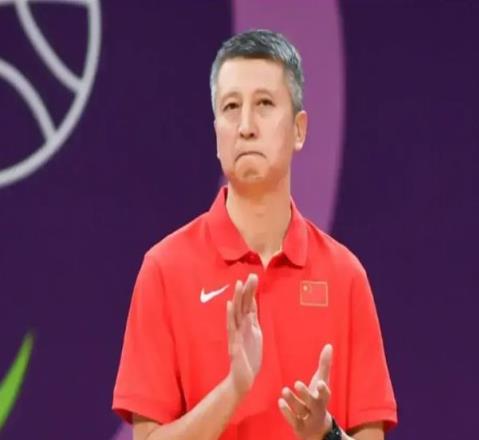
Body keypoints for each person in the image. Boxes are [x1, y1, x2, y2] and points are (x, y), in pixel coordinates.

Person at [112, 29, 397, 440]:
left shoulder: (345, 276)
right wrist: (234, 389)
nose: (245, 126)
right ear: (217, 133)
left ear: (299, 129)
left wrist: (326, 433)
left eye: (264, 104)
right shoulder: (164, 269)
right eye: (231, 107)